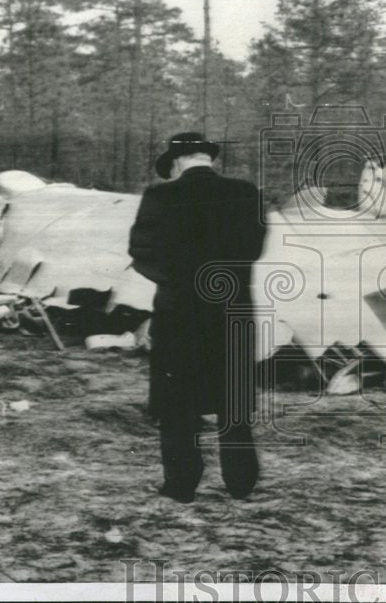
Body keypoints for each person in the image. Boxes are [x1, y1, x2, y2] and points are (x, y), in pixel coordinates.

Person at [129, 132, 267, 503]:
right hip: (232, 309)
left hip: (180, 312)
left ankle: (181, 485)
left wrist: (177, 278)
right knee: (233, 400)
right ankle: (241, 484)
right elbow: (253, 250)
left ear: (176, 163)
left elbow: (140, 252)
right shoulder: (245, 193)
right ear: (208, 158)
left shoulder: (160, 196)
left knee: (177, 404)